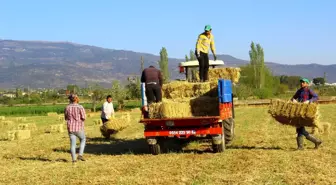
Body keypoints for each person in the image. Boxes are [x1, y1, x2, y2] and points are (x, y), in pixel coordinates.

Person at [291, 78, 322, 150]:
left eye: (304, 82)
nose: (302, 83)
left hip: (305, 112)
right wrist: (293, 100)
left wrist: (309, 101)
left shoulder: (309, 90)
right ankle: (316, 141)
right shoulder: (299, 91)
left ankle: (302, 146)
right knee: (299, 129)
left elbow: (316, 97)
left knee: (300, 128)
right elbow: (293, 98)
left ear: (307, 84)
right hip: (299, 111)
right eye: (301, 82)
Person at [64, 94, 87, 163]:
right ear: (76, 99)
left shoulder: (67, 107)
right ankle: (80, 154)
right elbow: (84, 117)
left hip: (70, 128)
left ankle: (74, 159)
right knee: (83, 139)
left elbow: (66, 118)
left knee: (72, 144)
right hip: (79, 127)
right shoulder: (80, 107)